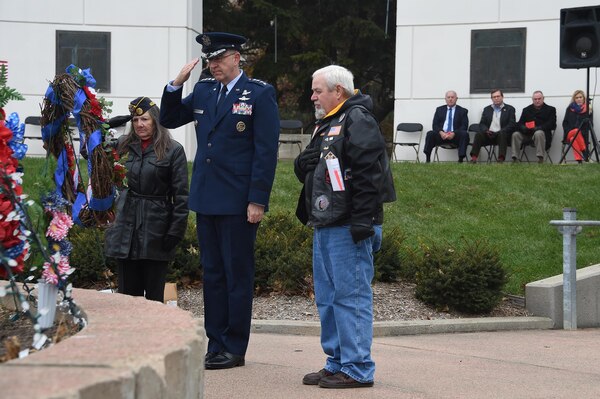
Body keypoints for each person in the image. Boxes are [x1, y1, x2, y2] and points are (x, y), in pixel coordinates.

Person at [159, 32, 280, 370]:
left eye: (218, 59)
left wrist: (257, 199)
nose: (213, 65)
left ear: (236, 58)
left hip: (239, 200)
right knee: (212, 273)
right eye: (209, 60)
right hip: (208, 196)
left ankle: (234, 345)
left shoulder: (259, 94)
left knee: (236, 273)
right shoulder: (203, 90)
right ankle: (215, 343)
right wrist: (175, 85)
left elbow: (265, 152)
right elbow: (168, 119)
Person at [294, 65, 396, 389]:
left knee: (350, 297)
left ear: (338, 91)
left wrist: (364, 221)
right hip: (325, 223)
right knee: (327, 298)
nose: (312, 96)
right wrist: (302, 165)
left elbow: (370, 173)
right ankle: (337, 362)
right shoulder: (327, 123)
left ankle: (357, 368)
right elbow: (315, 169)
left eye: (318, 90)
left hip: (350, 224)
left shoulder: (357, 119)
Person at [104, 97, 189, 302]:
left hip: (156, 229)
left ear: (156, 121)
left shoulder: (172, 150)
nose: (140, 125)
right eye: (135, 120)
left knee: (153, 301)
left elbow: (181, 196)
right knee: (127, 300)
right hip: (126, 229)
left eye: (145, 119)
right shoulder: (123, 145)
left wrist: (175, 232)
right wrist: (108, 125)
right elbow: (91, 152)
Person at [470, 89, 516, 163]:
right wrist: (486, 130)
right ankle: (474, 158)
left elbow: (511, 124)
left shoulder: (510, 109)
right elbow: (482, 123)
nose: (496, 98)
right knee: (478, 135)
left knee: (502, 134)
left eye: (498, 96)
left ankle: (500, 159)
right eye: (494, 97)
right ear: (491, 98)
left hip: (502, 135)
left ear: (502, 97)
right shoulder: (487, 109)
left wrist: (500, 131)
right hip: (489, 134)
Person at [423, 90, 469, 162]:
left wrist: (454, 133)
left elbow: (464, 126)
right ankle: (428, 159)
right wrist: (441, 132)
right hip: (442, 135)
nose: (450, 99)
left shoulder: (463, 111)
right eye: (448, 97)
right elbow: (435, 125)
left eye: (452, 97)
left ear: (456, 99)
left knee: (464, 134)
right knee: (430, 134)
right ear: (445, 99)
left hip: (455, 136)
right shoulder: (439, 110)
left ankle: (460, 160)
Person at [512, 91, 556, 163]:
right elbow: (520, 123)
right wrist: (523, 127)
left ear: (543, 99)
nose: (537, 101)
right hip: (527, 134)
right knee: (515, 134)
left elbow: (552, 124)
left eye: (539, 99)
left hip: (542, 135)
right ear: (532, 99)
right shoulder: (526, 110)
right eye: (535, 99)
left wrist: (539, 128)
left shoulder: (551, 109)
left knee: (539, 133)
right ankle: (515, 158)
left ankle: (540, 158)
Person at [562, 89, 590, 163]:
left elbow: (591, 124)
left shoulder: (588, 109)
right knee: (574, 132)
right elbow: (565, 123)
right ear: (574, 99)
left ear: (584, 98)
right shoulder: (569, 108)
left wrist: (583, 131)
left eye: (580, 97)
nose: (579, 99)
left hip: (582, 134)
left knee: (573, 139)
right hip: (569, 133)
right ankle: (585, 151)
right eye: (577, 97)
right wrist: (568, 130)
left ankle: (579, 160)